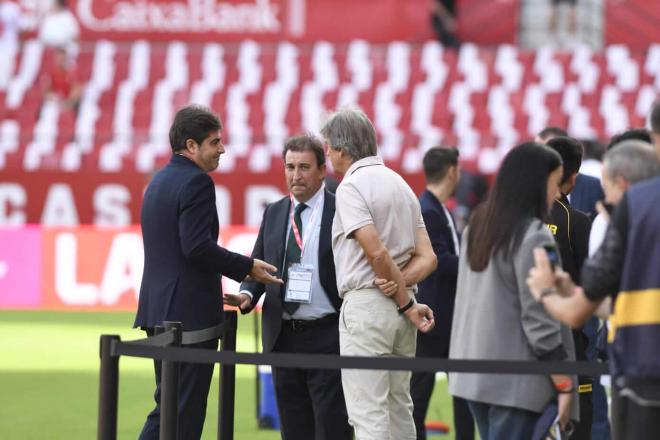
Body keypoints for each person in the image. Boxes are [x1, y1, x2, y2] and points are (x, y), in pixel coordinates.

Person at [134, 105, 282, 440]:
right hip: (187, 317)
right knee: (183, 414)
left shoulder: (159, 180)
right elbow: (196, 247)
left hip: (158, 309)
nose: (222, 149)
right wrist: (248, 267)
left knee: (168, 407)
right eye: (214, 142)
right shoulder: (197, 181)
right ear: (191, 145)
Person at [225, 134, 352, 440]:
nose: (296, 175)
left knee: (332, 428)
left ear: (322, 170)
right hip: (283, 335)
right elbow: (259, 262)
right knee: (294, 429)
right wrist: (246, 294)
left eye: (304, 167)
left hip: (329, 334)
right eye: (290, 166)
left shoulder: (343, 210)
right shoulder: (275, 211)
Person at [321, 107, 438, 440]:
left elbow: (376, 253)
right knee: (400, 409)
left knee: (368, 414)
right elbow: (428, 257)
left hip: (370, 308)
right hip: (403, 310)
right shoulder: (400, 183)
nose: (328, 155)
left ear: (342, 149)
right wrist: (405, 296)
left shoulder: (350, 187)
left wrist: (402, 299)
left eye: (329, 147)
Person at [449, 143, 578, 439]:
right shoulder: (533, 235)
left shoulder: (477, 226)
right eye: (554, 183)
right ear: (534, 182)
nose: (559, 193)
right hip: (516, 383)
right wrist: (564, 383)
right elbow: (540, 319)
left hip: (474, 376)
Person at [527, 173, 660, 440]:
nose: (603, 201)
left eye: (607, 190)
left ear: (622, 184)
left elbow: (581, 309)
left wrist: (546, 293)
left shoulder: (630, 209)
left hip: (641, 372)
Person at [410, 146, 474, 440]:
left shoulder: (437, 208)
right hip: (434, 319)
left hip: (448, 319)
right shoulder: (429, 210)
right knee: (419, 396)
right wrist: (478, 266)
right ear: (452, 170)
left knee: (462, 395)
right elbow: (439, 261)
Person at [545, 136, 594, 440]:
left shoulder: (514, 216)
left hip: (522, 341)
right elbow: (590, 284)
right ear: (573, 178)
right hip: (569, 341)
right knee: (577, 424)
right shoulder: (575, 221)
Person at [536, 127, 604, 219]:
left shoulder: (594, 186)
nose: (540, 156)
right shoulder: (531, 186)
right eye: (537, 150)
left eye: (548, 149)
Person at [0, 0, 22, 90]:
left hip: (9, 45)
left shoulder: (11, 8)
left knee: (5, 81)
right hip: (4, 45)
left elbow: (21, 26)